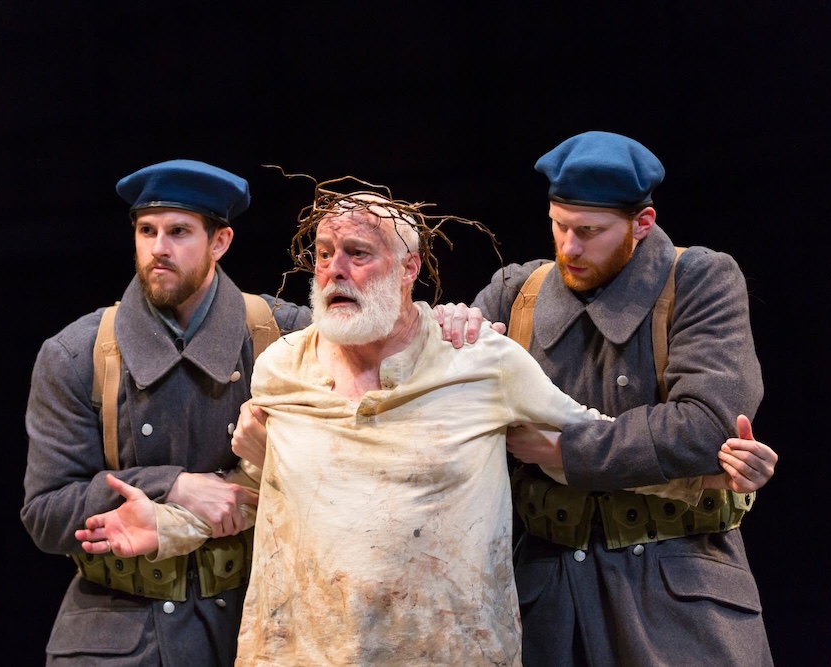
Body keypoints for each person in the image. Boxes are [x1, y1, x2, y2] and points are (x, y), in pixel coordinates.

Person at [75, 188, 776, 666]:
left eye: (358, 252)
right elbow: (259, 494)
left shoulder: (481, 363)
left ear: (410, 267)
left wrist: (719, 479)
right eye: (323, 253)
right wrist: (169, 526)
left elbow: (589, 442)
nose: (334, 271)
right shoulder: (282, 368)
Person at [470, 131, 774, 665]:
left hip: (676, 590)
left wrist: (566, 450)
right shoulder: (514, 294)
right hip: (546, 595)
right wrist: (451, 330)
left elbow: (706, 424)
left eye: (589, 232)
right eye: (560, 226)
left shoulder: (700, 280)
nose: (569, 247)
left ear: (642, 224)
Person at [20, 159, 300, 666]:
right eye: (146, 231)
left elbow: (383, 358)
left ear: (220, 242)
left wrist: (451, 321)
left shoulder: (282, 335)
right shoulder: (77, 352)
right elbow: (45, 513)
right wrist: (170, 483)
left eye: (178, 232)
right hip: (122, 631)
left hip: (252, 623)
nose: (158, 249)